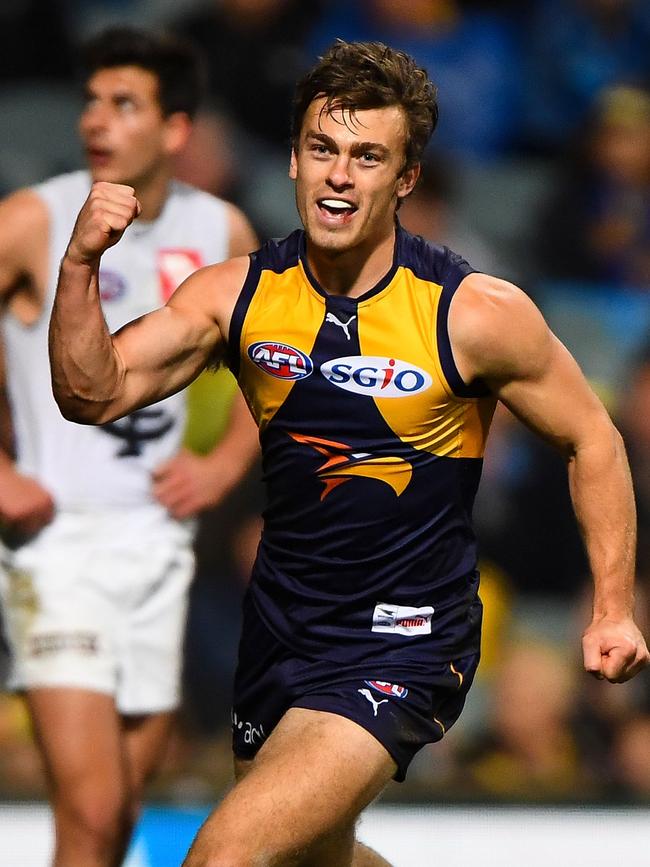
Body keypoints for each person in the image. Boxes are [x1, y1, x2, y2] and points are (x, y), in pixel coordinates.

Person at [49, 40, 650, 867]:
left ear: (404, 179)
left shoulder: (471, 313)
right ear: (293, 159)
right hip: (283, 626)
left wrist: (613, 605)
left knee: (226, 854)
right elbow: (92, 391)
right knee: (316, 857)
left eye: (367, 156)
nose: (339, 175)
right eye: (323, 150)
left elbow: (594, 437)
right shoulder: (240, 296)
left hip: (405, 635)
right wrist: (80, 265)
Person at [0, 27, 259, 867]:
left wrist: (223, 465)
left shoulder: (219, 229)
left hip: (160, 546)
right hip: (56, 544)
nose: (95, 121)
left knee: (117, 820)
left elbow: (288, 362)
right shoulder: (34, 217)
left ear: (175, 129)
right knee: (93, 807)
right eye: (90, 101)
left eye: (123, 104)